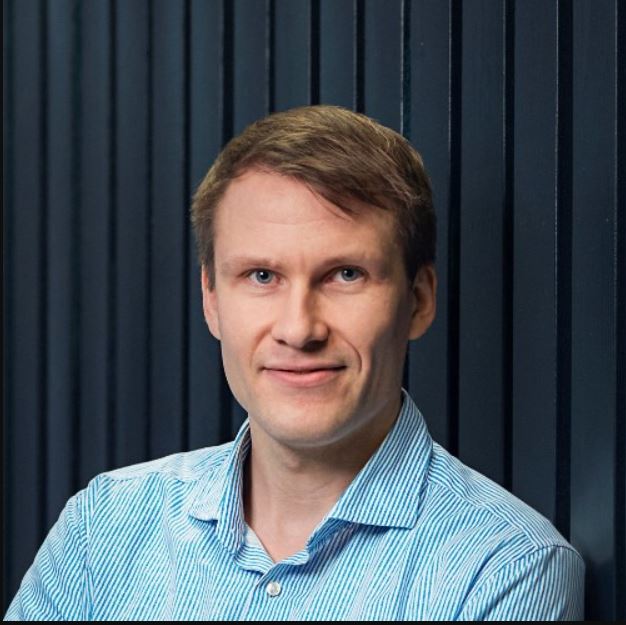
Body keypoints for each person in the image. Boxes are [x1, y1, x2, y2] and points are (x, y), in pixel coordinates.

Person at [5, 105, 584, 621]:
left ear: (418, 300)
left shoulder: (506, 567)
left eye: (345, 275)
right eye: (262, 276)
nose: (299, 329)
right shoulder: (104, 526)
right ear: (211, 300)